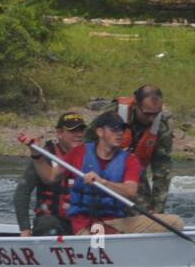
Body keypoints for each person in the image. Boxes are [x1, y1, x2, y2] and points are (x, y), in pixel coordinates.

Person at [35, 110, 183, 235]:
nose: (120, 134)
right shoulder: (78, 153)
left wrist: (103, 182)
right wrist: (36, 155)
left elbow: (130, 191)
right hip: (85, 223)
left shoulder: (129, 160)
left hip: (117, 222)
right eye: (114, 130)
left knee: (175, 222)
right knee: (99, 235)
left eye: (122, 130)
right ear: (100, 132)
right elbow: (50, 177)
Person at [83, 84, 174, 213]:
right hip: (102, 168)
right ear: (136, 104)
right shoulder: (112, 113)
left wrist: (157, 208)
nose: (151, 119)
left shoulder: (161, 126)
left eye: (156, 114)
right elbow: (87, 141)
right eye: (147, 114)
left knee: (146, 213)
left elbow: (163, 170)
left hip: (135, 173)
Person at [14, 112, 86, 236]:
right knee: (47, 224)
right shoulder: (44, 158)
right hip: (52, 221)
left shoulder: (90, 156)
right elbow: (22, 193)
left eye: (81, 130)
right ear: (59, 133)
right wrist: (25, 229)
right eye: (73, 131)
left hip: (80, 220)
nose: (78, 135)